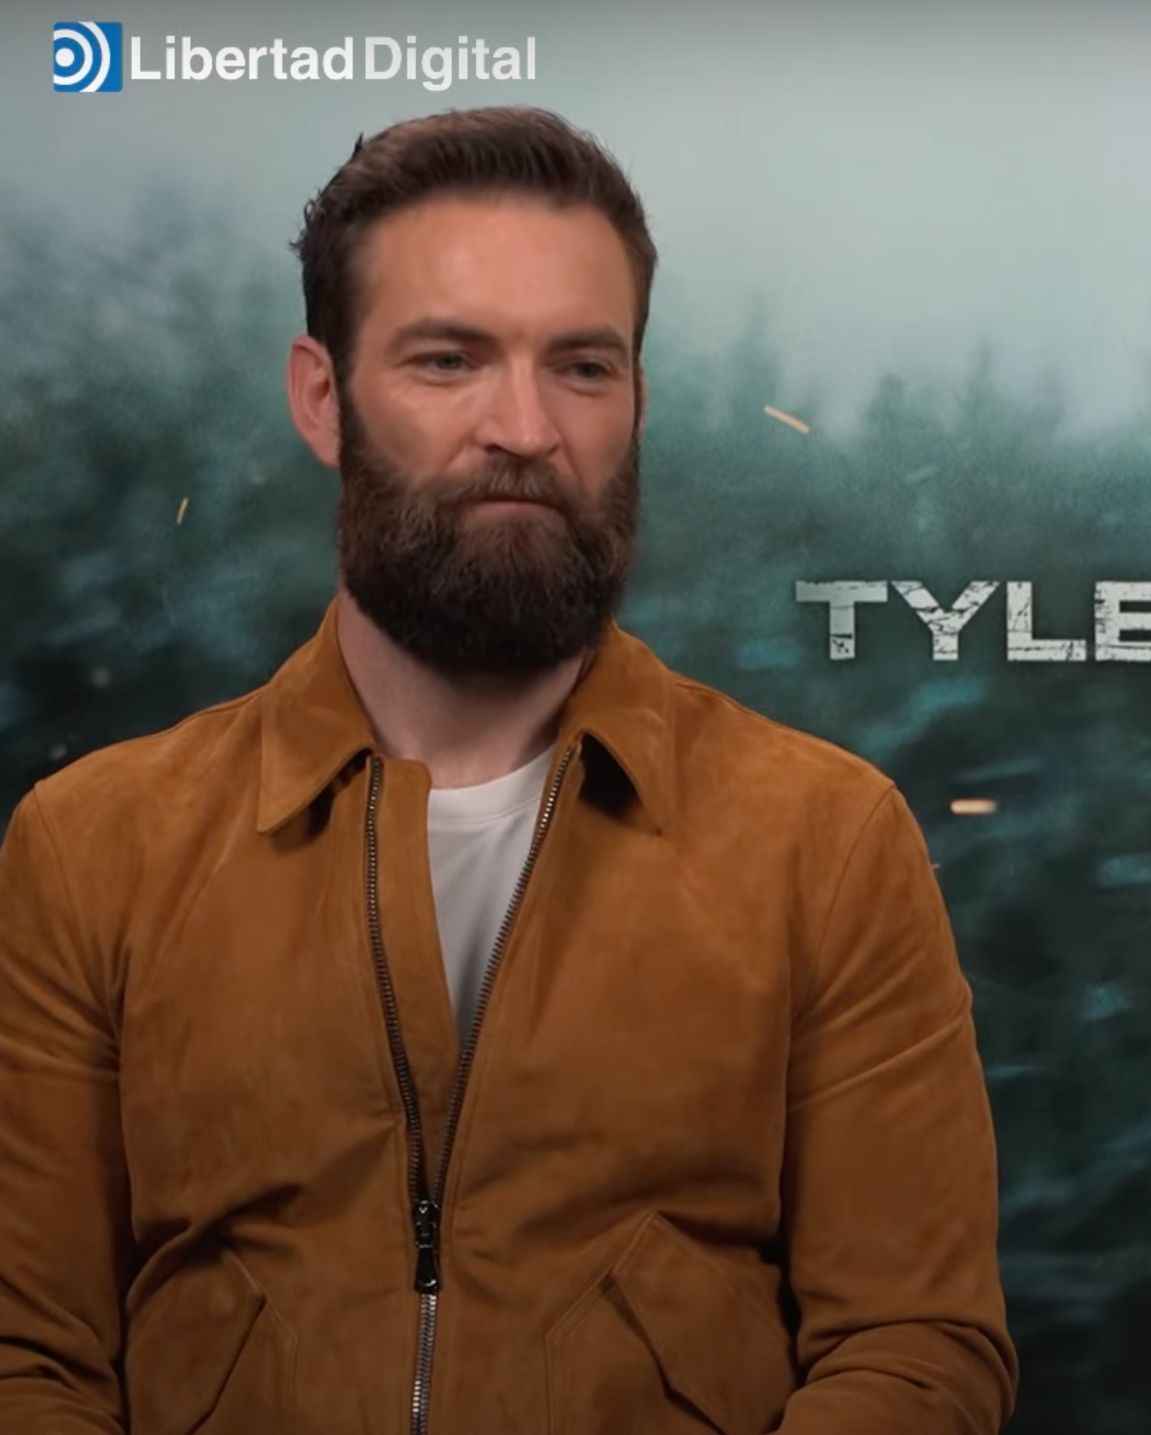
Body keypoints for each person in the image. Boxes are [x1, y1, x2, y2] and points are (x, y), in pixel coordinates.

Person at [0, 107, 1017, 1433]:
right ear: (322, 397)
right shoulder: (94, 845)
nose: (525, 426)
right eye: (449, 359)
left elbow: (917, 1346)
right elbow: (26, 1354)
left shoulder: (824, 838)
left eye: (582, 366)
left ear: (636, 400)